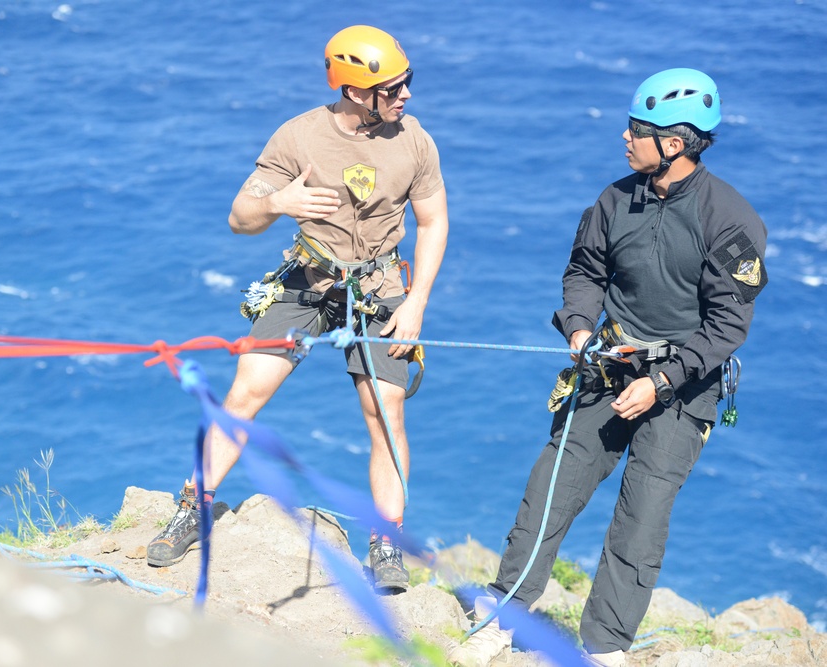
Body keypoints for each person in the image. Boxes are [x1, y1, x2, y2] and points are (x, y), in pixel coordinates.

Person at [451, 68, 767, 666]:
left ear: (674, 143)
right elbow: (585, 272)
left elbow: (727, 326)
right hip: (608, 366)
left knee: (641, 518)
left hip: (682, 385)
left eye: (637, 128)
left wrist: (663, 380)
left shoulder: (731, 220)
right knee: (551, 488)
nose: (624, 136)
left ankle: (605, 648)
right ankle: (505, 607)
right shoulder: (614, 199)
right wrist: (577, 326)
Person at [146, 25, 448, 592]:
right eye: (395, 86)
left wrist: (416, 307)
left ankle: (386, 542)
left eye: (409, 82)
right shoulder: (298, 136)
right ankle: (194, 506)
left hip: (381, 288)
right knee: (243, 394)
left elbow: (433, 222)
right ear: (357, 91)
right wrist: (279, 203)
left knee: (386, 413)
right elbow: (241, 216)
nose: (407, 94)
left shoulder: (415, 141)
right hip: (308, 281)